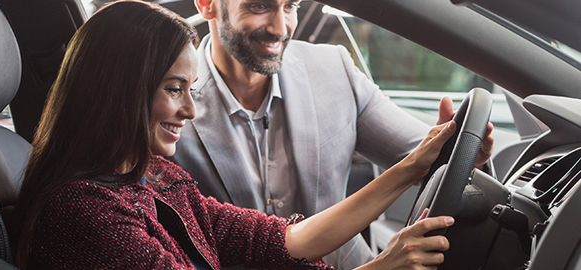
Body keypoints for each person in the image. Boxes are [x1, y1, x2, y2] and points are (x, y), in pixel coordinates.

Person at [10, 1, 459, 269]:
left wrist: (412, 168)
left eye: (190, 89)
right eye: (173, 89)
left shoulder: (157, 176)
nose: (188, 108)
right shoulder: (85, 212)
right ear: (120, 90)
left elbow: (283, 240)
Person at [168, 0, 494, 268]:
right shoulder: (168, 106)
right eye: (260, 6)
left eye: (290, 6)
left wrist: (464, 152)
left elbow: (425, 155)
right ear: (208, 5)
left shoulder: (333, 69)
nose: (281, 29)